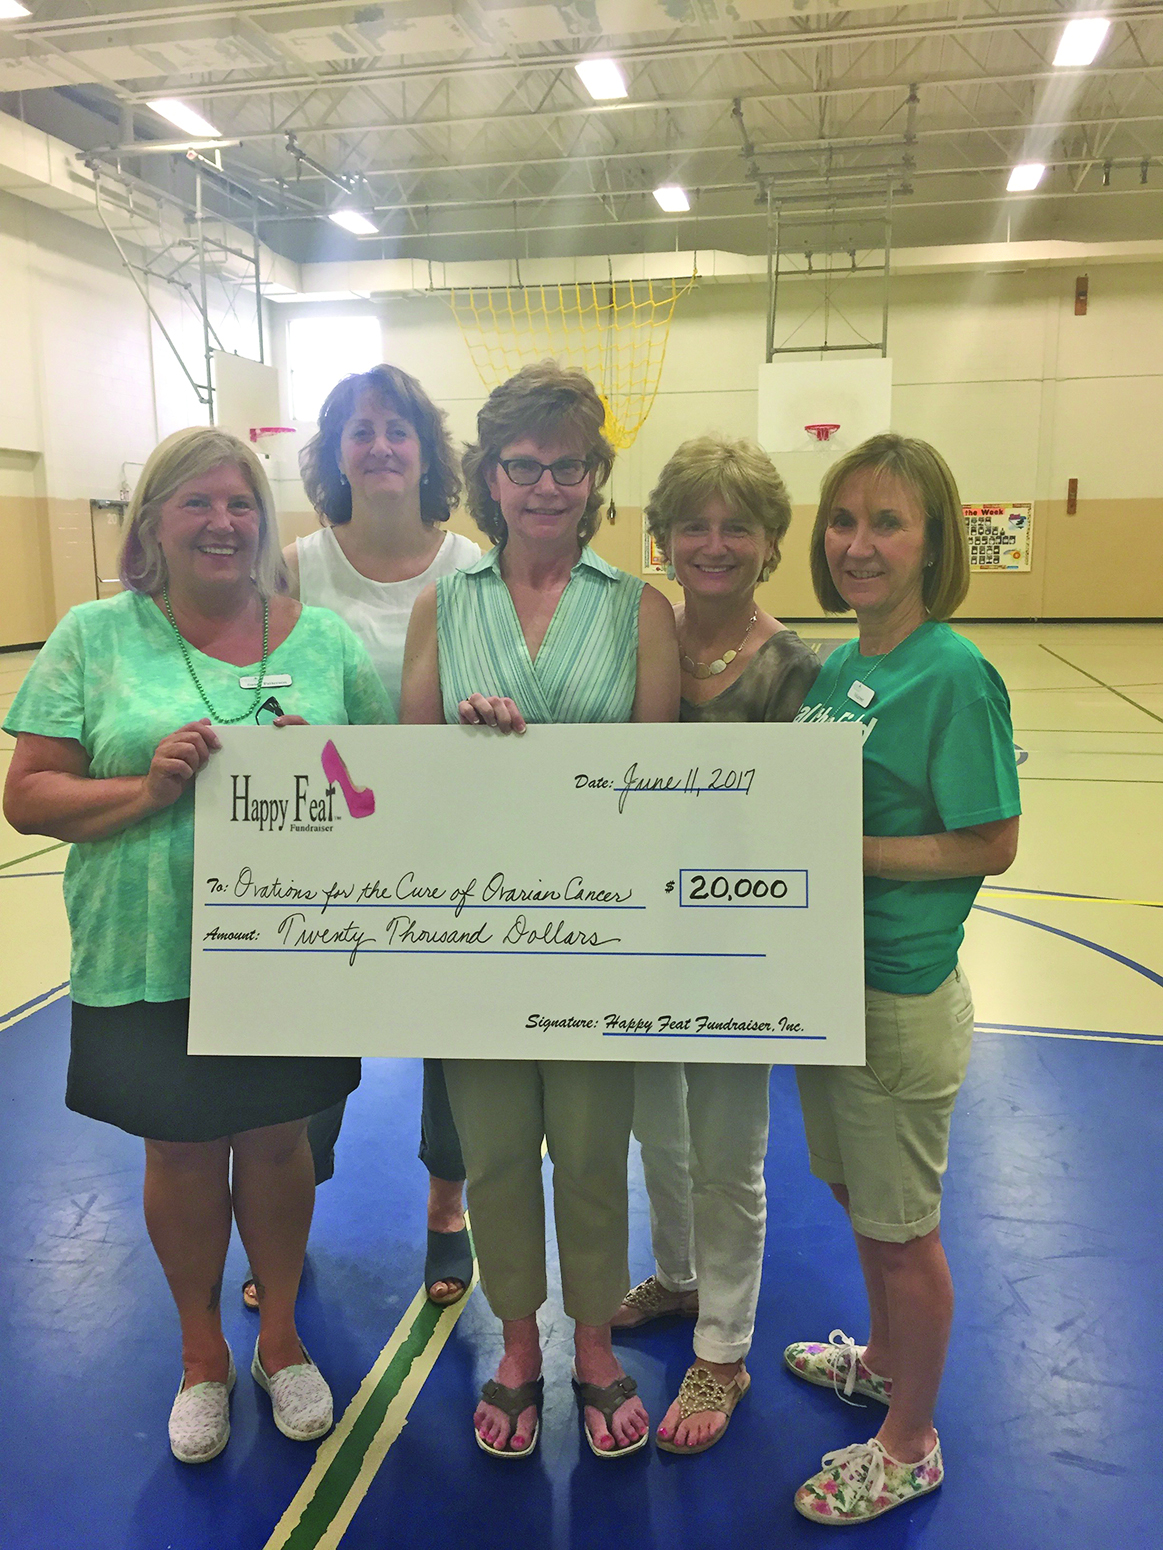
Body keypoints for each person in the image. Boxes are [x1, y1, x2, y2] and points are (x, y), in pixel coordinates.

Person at [2, 427, 393, 1465]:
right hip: (143, 952)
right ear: (154, 525)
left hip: (285, 957)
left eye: (240, 504)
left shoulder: (328, 645)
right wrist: (143, 787)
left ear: (264, 523)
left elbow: (388, 790)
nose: (222, 522)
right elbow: (28, 794)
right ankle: (198, 1353)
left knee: (276, 1141)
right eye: (196, 504)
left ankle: (279, 1337)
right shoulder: (93, 636)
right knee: (177, 1149)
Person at [400, 360, 679, 1458]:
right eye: (524, 465)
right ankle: (518, 1341)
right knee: (499, 1146)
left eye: (569, 465)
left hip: (597, 936)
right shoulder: (444, 602)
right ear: (489, 476)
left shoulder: (638, 608)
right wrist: (464, 748)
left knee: (593, 1145)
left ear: (596, 476)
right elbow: (408, 775)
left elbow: (653, 786)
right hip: (477, 935)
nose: (547, 485)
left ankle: (595, 1341)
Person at [785, 433, 1020, 1524]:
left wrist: (850, 851)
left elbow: (989, 839)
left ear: (932, 540)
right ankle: (880, 1359)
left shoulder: (952, 671)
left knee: (898, 1224)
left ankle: (909, 1438)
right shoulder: (841, 665)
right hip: (823, 981)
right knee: (851, 1194)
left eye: (886, 522)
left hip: (898, 989)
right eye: (843, 520)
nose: (858, 544)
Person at [611, 435, 820, 1453]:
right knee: (657, 1124)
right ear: (662, 538)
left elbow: (801, 835)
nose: (712, 542)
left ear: (770, 542)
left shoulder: (792, 670)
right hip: (635, 938)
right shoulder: (632, 645)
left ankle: (725, 1341)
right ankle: (680, 1274)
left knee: (730, 1148)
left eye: (736, 523)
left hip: (741, 953)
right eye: (692, 522)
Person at [282, 363, 480, 1309]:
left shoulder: (470, 566)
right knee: (316, 1043)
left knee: (454, 1040)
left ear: (425, 451)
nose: (380, 446)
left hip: (446, 844)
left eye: (398, 429)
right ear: (335, 454)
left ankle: (448, 1211)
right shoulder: (294, 565)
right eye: (359, 431)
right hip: (326, 849)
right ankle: (292, 1210)